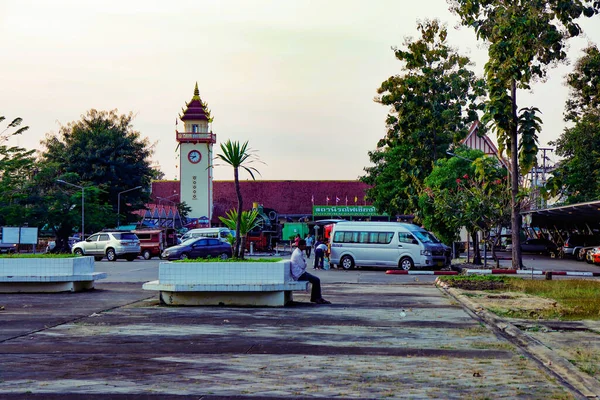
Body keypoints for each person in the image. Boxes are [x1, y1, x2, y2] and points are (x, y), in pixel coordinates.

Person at [290, 239, 331, 304]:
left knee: (315, 280)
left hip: (300, 273)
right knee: (316, 280)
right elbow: (303, 265)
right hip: (299, 275)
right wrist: (305, 263)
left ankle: (315, 297)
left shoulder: (298, 252)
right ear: (300, 246)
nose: (305, 246)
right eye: (304, 245)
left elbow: (303, 264)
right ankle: (317, 298)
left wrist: (304, 263)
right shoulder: (297, 254)